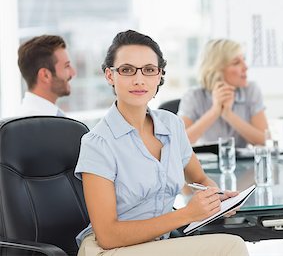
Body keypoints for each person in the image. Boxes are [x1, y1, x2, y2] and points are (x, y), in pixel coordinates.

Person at [74, 30, 249, 256]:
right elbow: (107, 236)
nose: (139, 80)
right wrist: (187, 214)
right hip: (111, 250)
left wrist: (217, 201)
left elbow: (200, 179)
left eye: (149, 70)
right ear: (110, 76)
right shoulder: (97, 143)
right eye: (127, 70)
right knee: (231, 246)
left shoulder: (172, 125)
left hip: (158, 245)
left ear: (159, 76)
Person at [178, 39, 268, 148]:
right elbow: (180, 142)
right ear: (216, 69)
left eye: (243, 59)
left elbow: (264, 141)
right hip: (207, 162)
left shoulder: (251, 90)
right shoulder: (193, 96)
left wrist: (228, 115)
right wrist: (215, 111)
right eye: (236, 62)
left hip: (243, 163)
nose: (245, 67)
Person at [16, 35, 76, 117]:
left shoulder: (49, 116)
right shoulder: (35, 123)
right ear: (45, 75)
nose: (73, 73)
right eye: (67, 66)